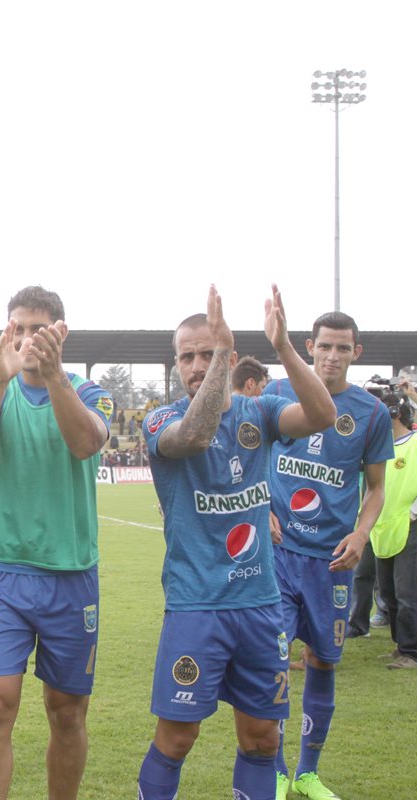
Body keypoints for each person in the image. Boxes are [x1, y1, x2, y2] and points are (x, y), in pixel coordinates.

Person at [136, 285, 335, 800]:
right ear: (176, 363)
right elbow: (195, 436)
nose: (197, 363)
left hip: (260, 606)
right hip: (196, 606)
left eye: (208, 352)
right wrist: (225, 355)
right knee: (178, 737)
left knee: (263, 738)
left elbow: (322, 416)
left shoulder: (261, 412)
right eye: (188, 356)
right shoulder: (160, 420)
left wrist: (287, 348)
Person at [0, 287, 113, 800]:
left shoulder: (89, 392)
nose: (25, 338)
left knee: (66, 710)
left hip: (70, 576)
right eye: (16, 328)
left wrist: (55, 375)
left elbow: (85, 442)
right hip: (2, 575)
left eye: (37, 328)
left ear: (59, 332)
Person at [263, 311, 392, 799]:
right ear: (308, 346)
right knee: (272, 662)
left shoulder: (371, 413)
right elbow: (250, 457)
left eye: (343, 348)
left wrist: (361, 535)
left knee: (322, 662)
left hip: (331, 563)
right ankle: (275, 771)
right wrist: (259, 508)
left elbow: (376, 487)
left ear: (356, 354)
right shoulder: (278, 390)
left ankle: (309, 773)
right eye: (325, 346)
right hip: (276, 556)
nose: (332, 356)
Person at [368, 384, 417, 670]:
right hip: (383, 527)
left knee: (407, 593)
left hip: (409, 526)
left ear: (393, 414)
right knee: (387, 592)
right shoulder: (379, 448)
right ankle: (401, 645)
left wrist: (412, 513)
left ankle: (412, 651)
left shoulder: (414, 443)